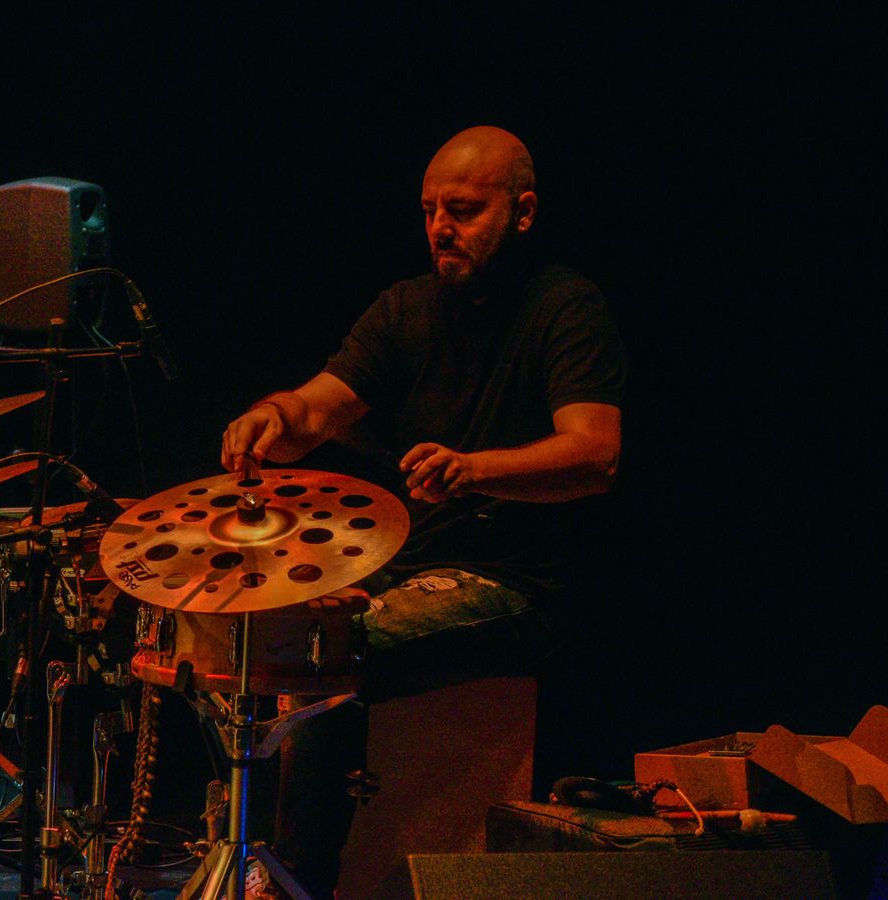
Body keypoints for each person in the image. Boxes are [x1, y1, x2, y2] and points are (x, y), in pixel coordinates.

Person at [220, 125, 626, 894]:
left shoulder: (566, 308)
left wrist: (473, 470)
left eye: (465, 209)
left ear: (525, 212)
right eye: (431, 208)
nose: (442, 226)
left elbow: (595, 452)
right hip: (411, 568)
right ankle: (261, 853)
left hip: (521, 587)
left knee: (332, 649)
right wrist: (273, 416)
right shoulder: (406, 308)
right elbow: (317, 409)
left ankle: (293, 877)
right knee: (282, 627)